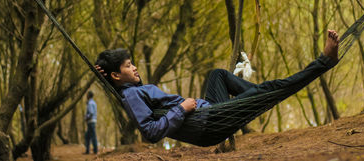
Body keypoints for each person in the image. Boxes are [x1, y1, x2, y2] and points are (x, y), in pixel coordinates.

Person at [95, 30, 340, 144]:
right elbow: (150, 131)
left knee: (218, 75)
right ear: (117, 75)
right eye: (129, 66)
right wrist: (181, 108)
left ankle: (256, 95)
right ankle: (324, 62)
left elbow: (127, 90)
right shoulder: (130, 95)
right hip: (209, 123)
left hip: (210, 112)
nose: (135, 68)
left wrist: (104, 77)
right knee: (270, 89)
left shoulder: (127, 89)